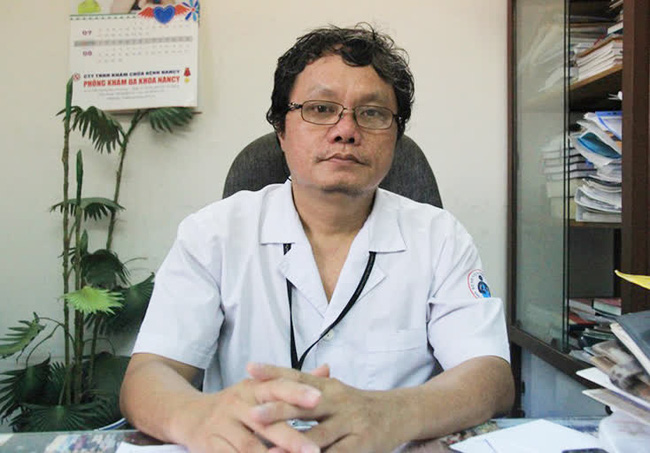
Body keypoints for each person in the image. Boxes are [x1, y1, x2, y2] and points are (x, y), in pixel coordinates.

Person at [120, 24, 514, 453]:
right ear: (281, 130)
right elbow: (149, 374)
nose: (346, 130)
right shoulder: (212, 234)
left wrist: (391, 414)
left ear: (396, 138)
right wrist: (196, 418)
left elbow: (490, 376)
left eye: (372, 113)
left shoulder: (440, 237)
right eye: (321, 109)